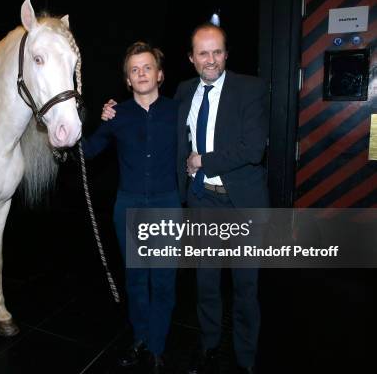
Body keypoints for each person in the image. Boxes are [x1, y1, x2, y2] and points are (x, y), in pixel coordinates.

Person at [102, 24, 269, 374]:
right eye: (203, 53)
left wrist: (201, 160)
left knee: (245, 290)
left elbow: (253, 149)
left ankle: (245, 361)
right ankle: (208, 348)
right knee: (206, 287)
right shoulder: (184, 92)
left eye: (217, 52)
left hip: (242, 204)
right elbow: (156, 128)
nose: (211, 60)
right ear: (191, 58)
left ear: (226, 54)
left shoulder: (250, 88)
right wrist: (109, 113)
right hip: (202, 202)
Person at [83, 41, 180, 373]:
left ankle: (157, 345)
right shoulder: (116, 114)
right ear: (127, 80)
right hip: (129, 206)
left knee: (164, 281)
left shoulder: (177, 110)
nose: (141, 74)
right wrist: (69, 125)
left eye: (147, 67)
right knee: (137, 279)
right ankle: (140, 338)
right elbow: (89, 150)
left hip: (168, 205)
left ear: (160, 74)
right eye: (134, 70)